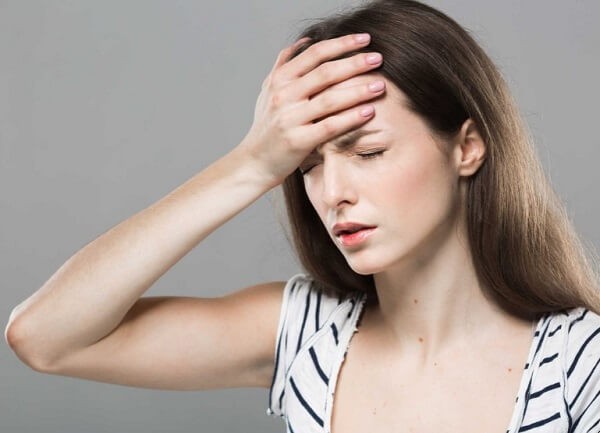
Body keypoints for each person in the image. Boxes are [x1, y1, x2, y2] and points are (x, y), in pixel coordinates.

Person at [5, 0, 600, 432]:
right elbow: (44, 338)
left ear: (466, 147)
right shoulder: (306, 333)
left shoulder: (580, 364)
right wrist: (251, 163)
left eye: (368, 152)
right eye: (308, 165)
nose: (332, 192)